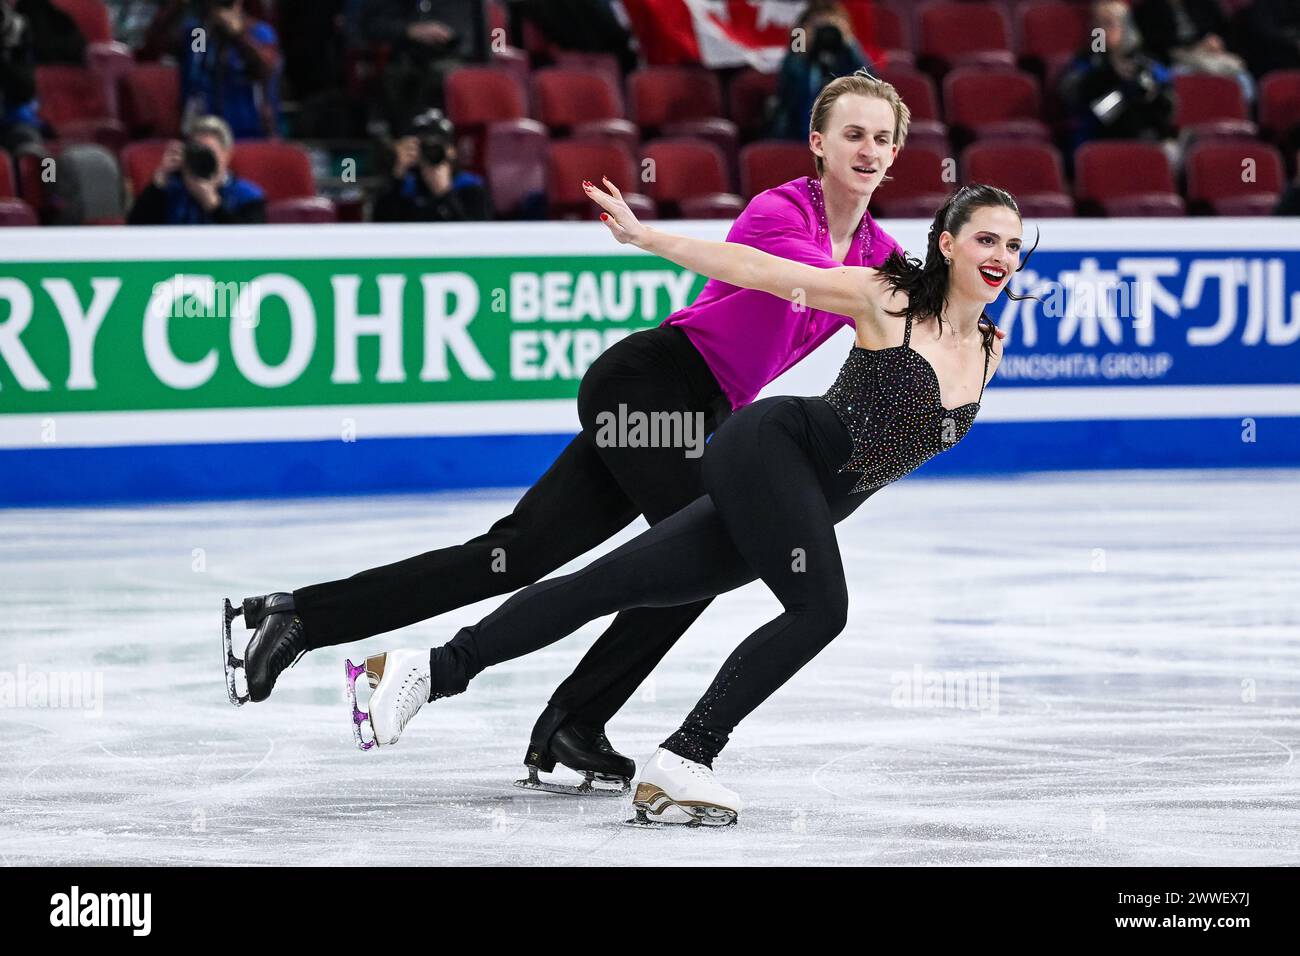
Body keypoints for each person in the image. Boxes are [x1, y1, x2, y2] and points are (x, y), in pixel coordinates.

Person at [221, 71, 1001, 792]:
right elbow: (767, 275)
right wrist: (647, 235)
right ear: (818, 143)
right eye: (852, 134)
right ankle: (569, 717)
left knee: (515, 553)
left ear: (897, 154)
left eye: (881, 139)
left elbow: (934, 301)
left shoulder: (880, 256)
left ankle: (298, 617)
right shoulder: (781, 213)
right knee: (701, 554)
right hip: (653, 383)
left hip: (711, 411)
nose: (867, 150)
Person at [351, 180, 1023, 827]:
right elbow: (757, 269)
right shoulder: (887, 297)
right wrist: (647, 238)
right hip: (771, 448)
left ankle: (431, 669)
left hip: (793, 495)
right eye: (985, 239)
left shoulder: (989, 349)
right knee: (820, 609)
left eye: (1014, 246)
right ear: (945, 244)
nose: (1001, 257)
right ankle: (687, 754)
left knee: (610, 585)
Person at [1060, 0, 1175, 149]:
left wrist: (1147, 92)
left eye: (1108, 23)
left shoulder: (1146, 63)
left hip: (1144, 139)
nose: (1100, 30)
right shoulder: (1087, 63)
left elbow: (1167, 106)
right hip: (1097, 141)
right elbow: (1095, 110)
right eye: (1097, 24)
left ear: (1126, 26)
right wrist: (1118, 87)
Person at [127, 114, 266, 224]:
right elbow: (135, 231)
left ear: (227, 155)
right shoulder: (172, 191)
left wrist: (214, 205)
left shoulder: (247, 196)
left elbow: (251, 245)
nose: (202, 159)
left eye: (209, 153)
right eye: (197, 152)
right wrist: (159, 182)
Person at [770, 1, 875, 141]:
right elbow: (788, 91)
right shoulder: (799, 45)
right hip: (797, 132)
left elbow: (871, 86)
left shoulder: (846, 52)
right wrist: (801, 44)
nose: (825, 34)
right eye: (818, 27)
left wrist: (849, 42)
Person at [178, 0, 281, 139]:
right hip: (208, 131)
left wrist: (239, 37)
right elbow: (195, 70)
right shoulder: (200, 33)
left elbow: (267, 69)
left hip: (249, 132)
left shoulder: (258, 31)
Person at [372, 108, 489, 222]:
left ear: (451, 150)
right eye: (423, 145)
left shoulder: (470, 186)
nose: (430, 151)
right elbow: (380, 225)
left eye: (436, 145)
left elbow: (476, 235)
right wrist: (397, 177)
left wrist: (445, 194)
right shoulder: (406, 186)